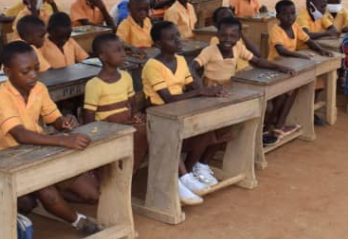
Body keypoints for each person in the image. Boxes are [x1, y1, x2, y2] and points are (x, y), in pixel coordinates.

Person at [0, 41, 101, 234]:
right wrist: (62, 140)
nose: (33, 75)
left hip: (41, 148)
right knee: (48, 194)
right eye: (26, 72)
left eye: (36, 69)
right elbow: (21, 135)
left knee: (92, 194)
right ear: (7, 72)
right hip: (12, 157)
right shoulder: (1, 99)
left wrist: (64, 122)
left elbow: (53, 117)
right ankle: (78, 221)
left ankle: (50, 196)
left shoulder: (39, 88)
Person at [142, 21, 229, 206]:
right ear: (158, 43)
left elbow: (193, 85)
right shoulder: (152, 66)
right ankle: (180, 178)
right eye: (171, 38)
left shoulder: (181, 60)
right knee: (172, 135)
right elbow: (168, 99)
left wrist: (211, 90)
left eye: (178, 35)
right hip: (160, 115)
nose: (177, 40)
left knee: (207, 127)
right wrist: (199, 92)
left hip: (181, 110)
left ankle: (187, 173)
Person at [81, 33, 148, 172]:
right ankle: (118, 172)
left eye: (122, 49)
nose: (123, 54)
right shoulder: (94, 84)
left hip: (126, 122)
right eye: (117, 51)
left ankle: (130, 172)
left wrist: (136, 115)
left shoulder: (126, 76)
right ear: (103, 57)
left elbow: (133, 104)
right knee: (138, 132)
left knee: (144, 128)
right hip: (107, 128)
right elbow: (89, 120)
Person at [267, 0, 333, 137]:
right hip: (276, 67)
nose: (290, 17)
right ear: (278, 16)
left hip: (290, 66)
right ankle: (271, 124)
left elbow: (308, 40)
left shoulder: (295, 26)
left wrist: (321, 50)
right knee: (285, 92)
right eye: (285, 14)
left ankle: (279, 123)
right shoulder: (276, 30)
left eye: (292, 13)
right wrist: (299, 56)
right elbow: (281, 50)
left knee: (294, 89)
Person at [193, 16, 292, 87]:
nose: (227, 39)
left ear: (239, 37)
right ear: (217, 34)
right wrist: (200, 86)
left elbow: (257, 61)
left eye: (232, 36)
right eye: (223, 35)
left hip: (229, 85)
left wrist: (279, 67)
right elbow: (192, 67)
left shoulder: (238, 47)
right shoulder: (209, 51)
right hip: (211, 87)